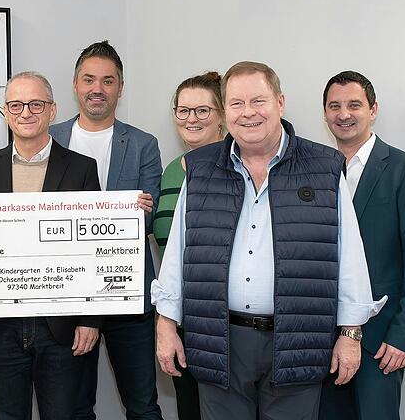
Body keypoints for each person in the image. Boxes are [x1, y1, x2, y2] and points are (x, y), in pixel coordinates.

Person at [151, 61, 386, 420]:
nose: (248, 113)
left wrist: (351, 335)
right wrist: (166, 325)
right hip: (219, 340)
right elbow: (178, 256)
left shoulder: (323, 168)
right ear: (225, 110)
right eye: (236, 103)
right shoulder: (198, 170)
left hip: (297, 339)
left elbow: (349, 256)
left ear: (280, 102)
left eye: (258, 101)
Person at [0, 71, 102, 419]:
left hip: (62, 326)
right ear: (6, 112)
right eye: (16, 105)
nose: (26, 113)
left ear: (52, 110)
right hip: (2, 325)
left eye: (36, 104)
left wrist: (91, 319)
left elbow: (95, 248)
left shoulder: (82, 168)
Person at [49, 40, 162, 420]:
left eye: (108, 81)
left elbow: (145, 219)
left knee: (143, 406)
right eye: (89, 79)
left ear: (120, 87)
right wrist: (117, 214)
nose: (98, 88)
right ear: (75, 85)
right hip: (69, 296)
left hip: (127, 294)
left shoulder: (144, 144)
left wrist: (124, 216)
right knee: (75, 407)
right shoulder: (50, 138)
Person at [318, 71, 405, 420]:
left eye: (354, 105)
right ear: (325, 114)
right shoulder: (315, 172)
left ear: (373, 109)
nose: (343, 114)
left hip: (381, 343)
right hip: (319, 342)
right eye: (335, 106)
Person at [151, 71, 225, 420]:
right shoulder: (170, 171)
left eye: (202, 111)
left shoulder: (236, 167)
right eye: (183, 111)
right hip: (180, 317)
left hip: (222, 319)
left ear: (222, 115)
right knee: (190, 409)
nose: (190, 119)